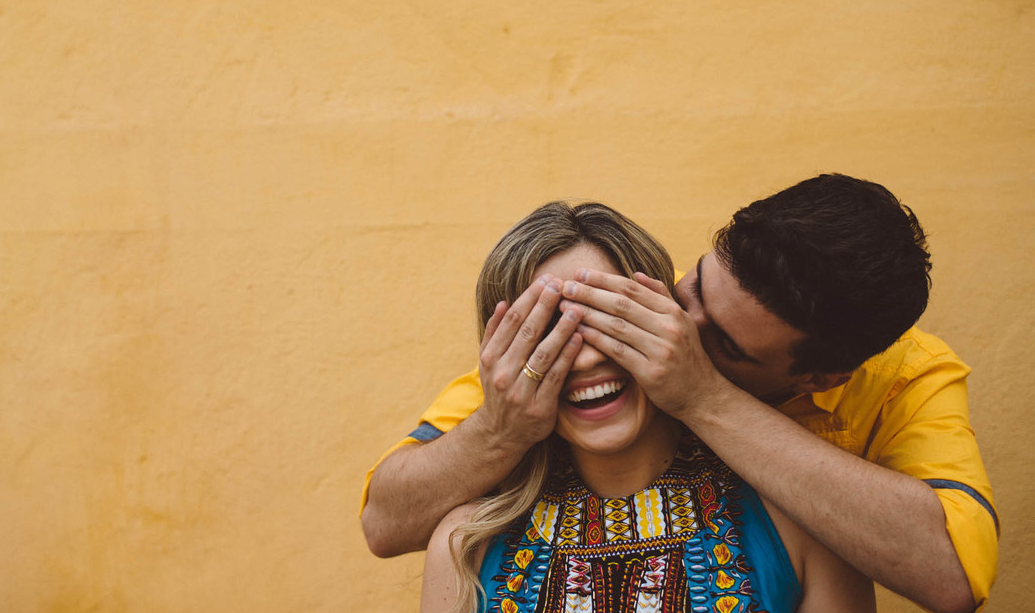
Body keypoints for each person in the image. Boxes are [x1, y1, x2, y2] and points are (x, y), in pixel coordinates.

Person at [362, 175, 997, 613]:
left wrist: (702, 397)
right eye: (689, 290)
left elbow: (951, 572)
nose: (672, 337)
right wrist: (502, 428)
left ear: (818, 376)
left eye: (720, 343)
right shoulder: (552, 365)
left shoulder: (900, 389)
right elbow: (385, 520)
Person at [418, 201, 873, 613]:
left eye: (609, 317)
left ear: (670, 324)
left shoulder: (805, 524)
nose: (588, 357)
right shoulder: (465, 546)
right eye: (548, 331)